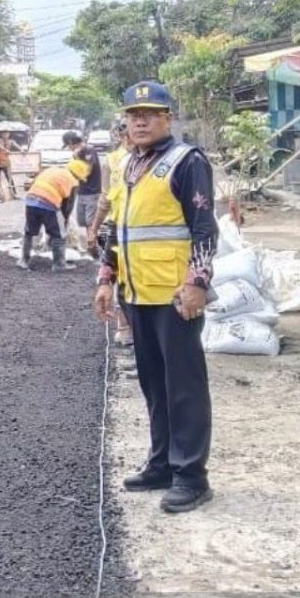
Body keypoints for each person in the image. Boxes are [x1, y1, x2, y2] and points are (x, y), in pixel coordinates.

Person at [92, 81, 218, 514]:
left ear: (168, 118)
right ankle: (163, 462)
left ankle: (192, 475)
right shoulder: (128, 164)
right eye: (133, 114)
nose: (140, 120)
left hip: (174, 294)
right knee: (153, 384)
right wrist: (105, 279)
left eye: (149, 113)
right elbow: (116, 229)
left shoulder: (186, 162)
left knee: (183, 386)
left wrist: (197, 283)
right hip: (137, 292)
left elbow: (205, 228)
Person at [88, 123, 137, 345]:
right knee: (121, 277)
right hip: (118, 226)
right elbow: (106, 197)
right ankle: (125, 325)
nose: (128, 138)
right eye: (125, 134)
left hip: (138, 229)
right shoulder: (113, 161)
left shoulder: (156, 161)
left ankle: (132, 327)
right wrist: (94, 227)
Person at [18, 158, 90, 270]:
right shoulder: (72, 181)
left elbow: (34, 185)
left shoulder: (51, 170)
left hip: (31, 201)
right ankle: (59, 264)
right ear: (78, 175)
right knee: (60, 235)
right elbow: (67, 206)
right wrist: (64, 224)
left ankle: (24, 260)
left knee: (29, 232)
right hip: (48, 203)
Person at [63, 130, 102, 247]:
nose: (69, 148)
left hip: (92, 191)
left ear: (70, 142)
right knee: (83, 221)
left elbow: (86, 171)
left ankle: (93, 247)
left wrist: (76, 159)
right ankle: (91, 243)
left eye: (68, 145)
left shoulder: (89, 150)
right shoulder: (77, 154)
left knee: (90, 222)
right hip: (82, 191)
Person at [0, 136, 21, 201]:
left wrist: (21, 149)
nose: (5, 134)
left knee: (9, 178)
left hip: (6, 162)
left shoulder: (11, 141)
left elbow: (16, 145)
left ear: (9, 134)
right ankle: (1, 195)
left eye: (6, 133)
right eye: (4, 133)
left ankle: (13, 194)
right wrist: (4, 149)